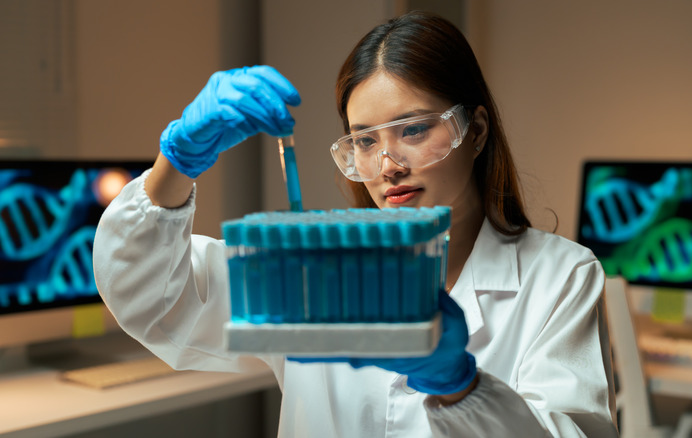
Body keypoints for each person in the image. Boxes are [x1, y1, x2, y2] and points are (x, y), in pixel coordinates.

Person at [94, 11, 617, 438]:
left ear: (474, 131)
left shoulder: (560, 276)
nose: (388, 164)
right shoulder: (310, 271)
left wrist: (462, 387)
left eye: (412, 129)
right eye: (365, 140)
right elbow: (154, 301)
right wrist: (176, 164)